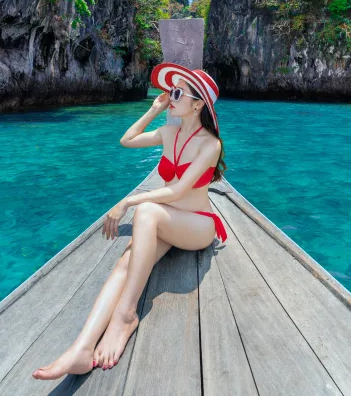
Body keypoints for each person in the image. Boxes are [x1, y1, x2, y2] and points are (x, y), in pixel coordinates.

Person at [32, 63, 228, 380]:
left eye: (177, 93)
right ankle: (81, 349)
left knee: (146, 211)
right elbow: (127, 140)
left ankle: (125, 315)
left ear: (198, 104)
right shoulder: (169, 133)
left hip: (197, 225)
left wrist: (128, 201)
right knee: (126, 262)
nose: (170, 96)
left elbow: (178, 190)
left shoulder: (210, 144)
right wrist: (153, 110)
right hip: (169, 221)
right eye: (170, 91)